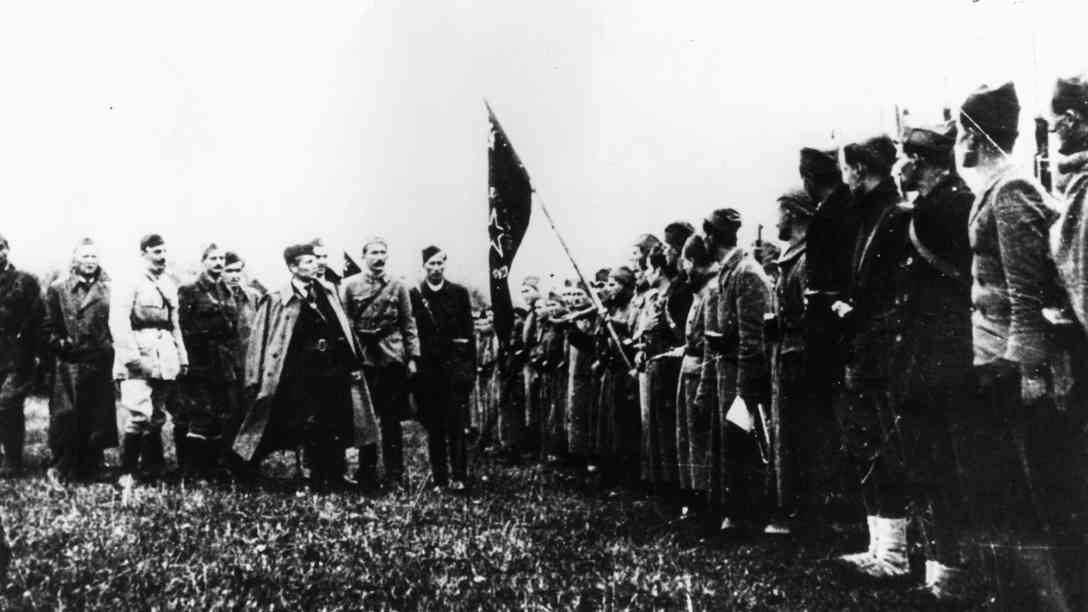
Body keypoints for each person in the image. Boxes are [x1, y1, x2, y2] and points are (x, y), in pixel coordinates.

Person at [960, 82, 1086, 597]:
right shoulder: (998, 188)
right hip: (995, 355)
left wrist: (1030, 373)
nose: (958, 142)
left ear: (975, 134)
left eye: (963, 131)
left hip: (1013, 364)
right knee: (1006, 490)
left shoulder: (1011, 190)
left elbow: (1025, 292)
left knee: (1034, 494)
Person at [888, 121, 976, 599]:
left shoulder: (953, 205)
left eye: (908, 159)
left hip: (945, 353)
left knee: (946, 463)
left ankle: (952, 572)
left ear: (919, 163)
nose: (902, 166)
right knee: (928, 461)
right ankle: (939, 568)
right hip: (924, 353)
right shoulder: (930, 207)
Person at [232, 243, 377, 491]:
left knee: (329, 424)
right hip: (292, 374)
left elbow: (342, 330)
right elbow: (260, 338)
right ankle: (243, 471)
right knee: (273, 424)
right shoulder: (277, 298)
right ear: (293, 267)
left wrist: (353, 362)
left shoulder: (328, 292)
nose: (315, 265)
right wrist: (254, 376)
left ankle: (327, 476)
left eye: (316, 260)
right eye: (308, 262)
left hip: (329, 371)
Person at [832, 134, 912, 580]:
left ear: (860, 169)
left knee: (886, 448)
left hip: (884, 351)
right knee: (869, 445)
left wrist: (852, 309)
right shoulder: (875, 215)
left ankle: (895, 553)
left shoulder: (893, 217)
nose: (844, 180)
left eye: (847, 170)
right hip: (869, 348)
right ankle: (880, 545)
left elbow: (888, 292)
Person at [699, 208, 773, 533]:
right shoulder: (731, 271)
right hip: (726, 371)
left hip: (739, 375)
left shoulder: (746, 273)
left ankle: (745, 516)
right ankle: (733, 512)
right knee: (732, 446)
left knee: (742, 445)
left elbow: (752, 338)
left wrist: (745, 390)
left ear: (710, 237)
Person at [340, 236, 420, 491]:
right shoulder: (350, 286)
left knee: (391, 420)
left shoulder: (398, 286)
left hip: (391, 357)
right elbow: (345, 322)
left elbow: (408, 323)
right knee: (365, 420)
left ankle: (395, 475)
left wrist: (412, 358)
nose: (379, 257)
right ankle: (367, 473)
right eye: (373, 252)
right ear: (363, 257)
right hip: (364, 359)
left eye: (383, 252)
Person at [110, 234, 188, 487]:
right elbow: (118, 322)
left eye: (164, 251)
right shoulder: (129, 281)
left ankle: (152, 469)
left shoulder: (168, 282)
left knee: (156, 415)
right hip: (138, 351)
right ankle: (127, 472)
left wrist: (181, 356)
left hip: (165, 354)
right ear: (144, 253)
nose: (162, 257)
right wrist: (131, 358)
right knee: (138, 415)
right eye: (156, 252)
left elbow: (174, 323)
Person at [764, 190, 820, 536]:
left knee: (801, 438)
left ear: (795, 214)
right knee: (788, 437)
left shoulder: (808, 257)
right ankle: (792, 508)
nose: (777, 221)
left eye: (781, 213)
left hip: (800, 358)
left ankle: (801, 512)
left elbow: (810, 315)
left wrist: (782, 325)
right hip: (787, 355)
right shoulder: (794, 256)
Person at [42, 238, 116, 484]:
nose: (90, 261)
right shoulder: (58, 288)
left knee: (97, 413)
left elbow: (115, 324)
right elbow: (48, 325)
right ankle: (62, 467)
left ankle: (92, 465)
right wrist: (61, 344)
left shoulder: (108, 288)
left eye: (94, 256)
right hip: (69, 362)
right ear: (75, 260)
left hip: (98, 359)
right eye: (85, 256)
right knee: (68, 414)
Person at [410, 246, 476, 491]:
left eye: (440, 264)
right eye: (431, 264)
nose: (436, 269)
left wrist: (471, 369)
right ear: (424, 266)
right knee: (435, 426)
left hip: (454, 370)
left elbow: (469, 334)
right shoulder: (415, 295)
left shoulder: (458, 293)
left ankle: (459, 476)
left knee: (456, 425)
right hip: (428, 371)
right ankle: (439, 478)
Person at [178, 243, 241, 480]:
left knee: (220, 415)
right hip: (199, 362)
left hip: (223, 363)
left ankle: (213, 468)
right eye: (213, 258)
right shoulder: (190, 289)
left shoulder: (227, 290)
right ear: (203, 261)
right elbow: (183, 327)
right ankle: (194, 473)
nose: (218, 263)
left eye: (222, 258)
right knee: (200, 416)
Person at [674, 234, 719, 521]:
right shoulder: (701, 291)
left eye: (687, 262)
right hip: (690, 369)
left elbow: (708, 343)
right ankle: (693, 498)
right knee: (689, 439)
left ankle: (702, 502)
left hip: (700, 372)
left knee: (699, 441)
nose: (685, 269)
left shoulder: (711, 292)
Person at [0, 234, 44, 477]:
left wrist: (37, 354)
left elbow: (38, 318)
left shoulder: (25, 281)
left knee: (8, 404)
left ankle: (13, 461)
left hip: (18, 355)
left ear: (7, 249)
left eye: (0, 248)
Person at [222, 251, 262, 378]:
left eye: (238, 270)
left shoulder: (253, 297)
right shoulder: (214, 298)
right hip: (223, 365)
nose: (235, 276)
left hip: (249, 362)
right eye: (229, 271)